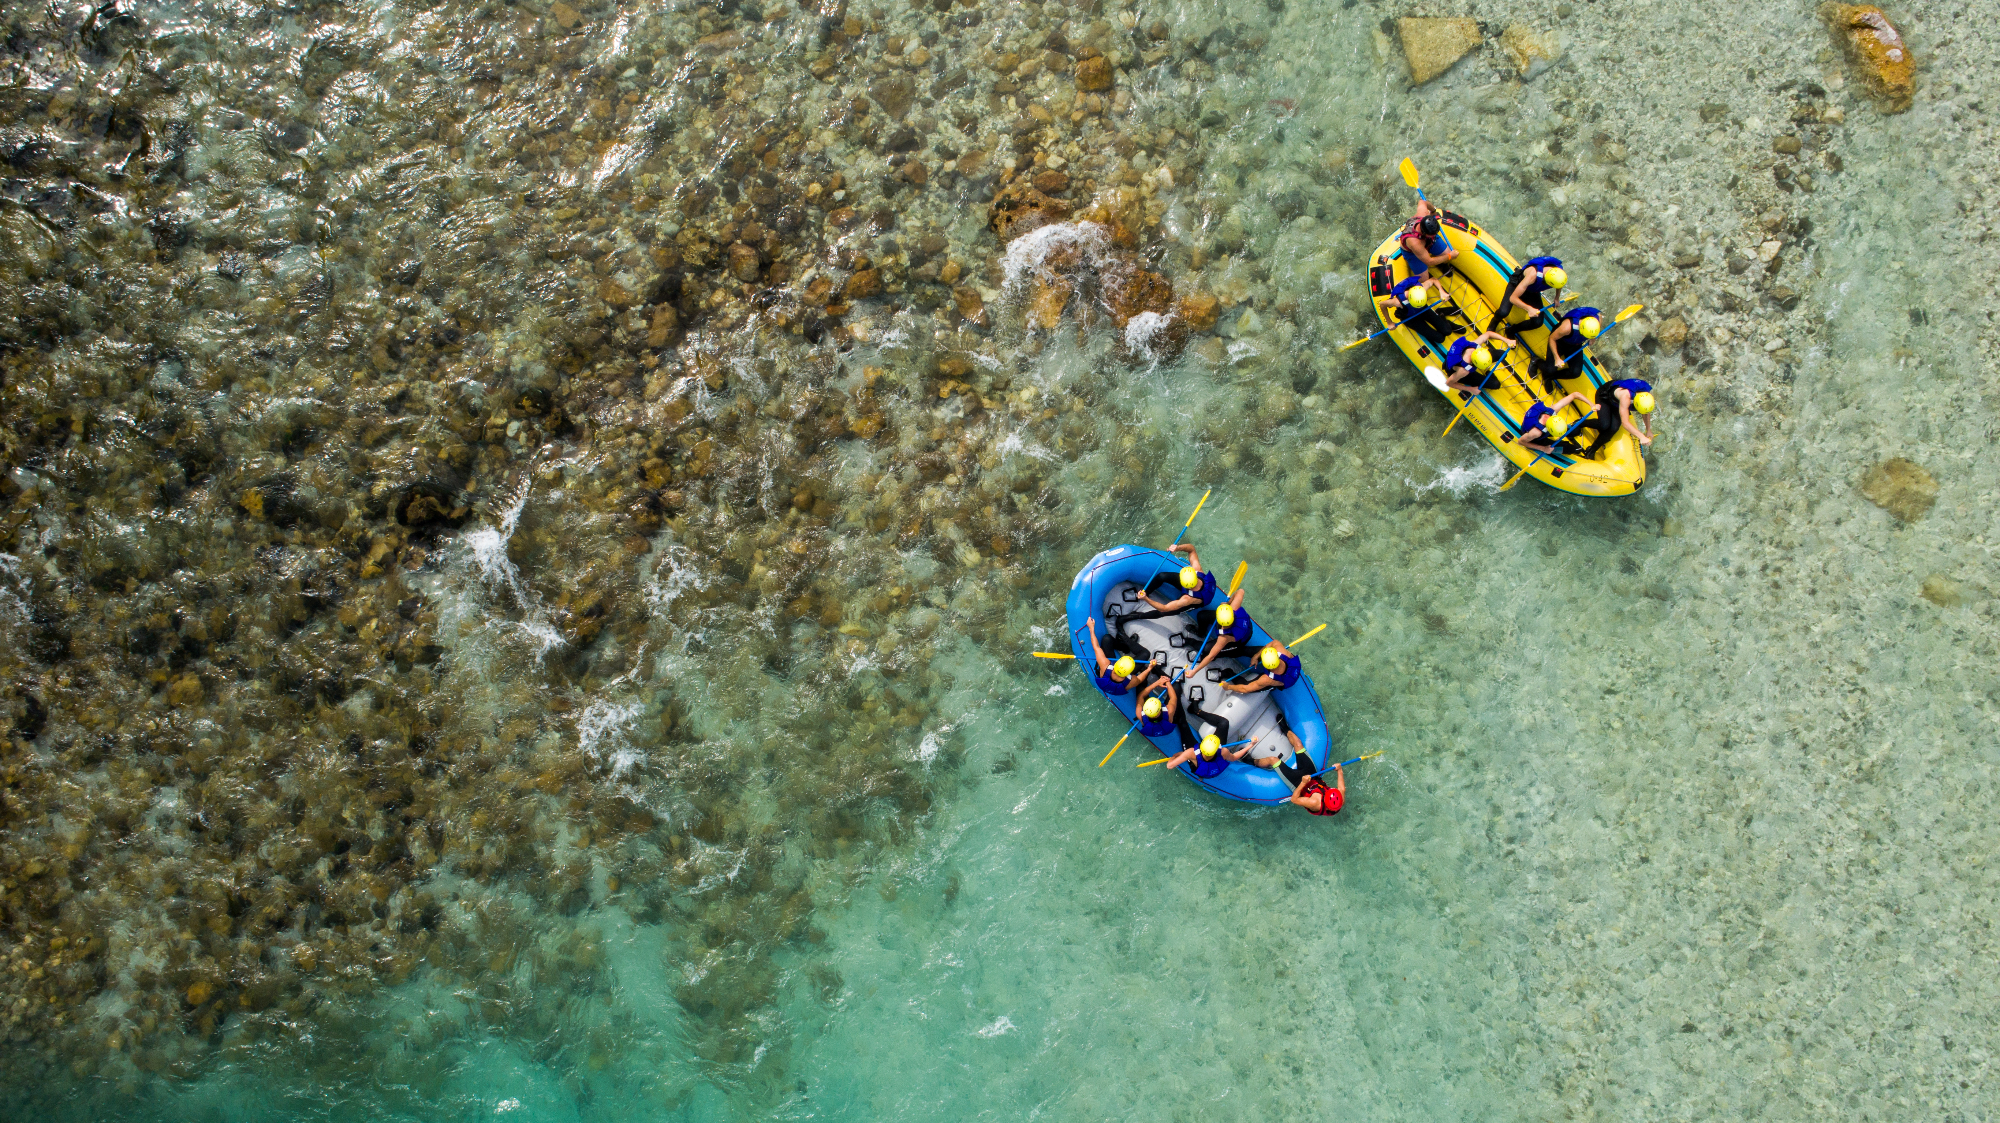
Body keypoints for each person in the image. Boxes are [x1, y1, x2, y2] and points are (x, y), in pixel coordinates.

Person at [1129, 543, 1218, 619]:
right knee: (1162, 576)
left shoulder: (1187, 599)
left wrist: (1146, 599)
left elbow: (1164, 608)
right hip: (1196, 587)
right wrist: (1177, 548)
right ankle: (1147, 592)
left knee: (1164, 613)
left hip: (1197, 599)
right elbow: (1191, 549)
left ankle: (1137, 616)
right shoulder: (1197, 570)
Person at [1575, 378, 1656, 460]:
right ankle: (1580, 423)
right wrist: (1641, 436)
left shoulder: (1647, 397)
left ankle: (1592, 450)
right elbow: (1625, 423)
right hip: (1605, 397)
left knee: (1614, 428)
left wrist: (1648, 430)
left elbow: (1646, 412)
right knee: (1604, 424)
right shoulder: (1625, 396)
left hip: (1617, 404)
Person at [1489, 256, 1567, 338]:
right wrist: (1529, 309)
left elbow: (1559, 285)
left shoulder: (1559, 274)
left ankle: (1511, 330)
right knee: (1503, 312)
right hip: (1517, 285)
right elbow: (1513, 298)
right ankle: (1494, 322)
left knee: (1537, 322)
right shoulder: (1533, 274)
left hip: (1532, 292)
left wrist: (1557, 298)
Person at [1530, 306, 1602, 392]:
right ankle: (1536, 361)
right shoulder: (1567, 327)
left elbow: (1599, 315)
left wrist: (1593, 338)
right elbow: (1552, 339)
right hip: (1559, 342)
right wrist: (1557, 358)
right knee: (1550, 369)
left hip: (1575, 344)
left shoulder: (1595, 320)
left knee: (1575, 373)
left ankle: (1549, 377)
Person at [1378, 275, 1456, 348]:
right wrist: (1389, 322)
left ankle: (1441, 316)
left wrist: (1441, 291)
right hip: (1410, 317)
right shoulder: (1397, 302)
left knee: (1447, 331)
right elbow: (1382, 304)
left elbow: (1433, 280)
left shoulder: (1423, 288)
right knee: (1440, 338)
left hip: (1423, 310)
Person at [1189, 593, 1256, 676]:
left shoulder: (1224, 638)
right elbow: (1241, 591)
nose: (1223, 628)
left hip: (1239, 640)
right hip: (1245, 625)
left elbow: (1211, 656)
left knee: (1206, 649)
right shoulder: (1234, 607)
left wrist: (1194, 671)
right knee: (1201, 616)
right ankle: (1200, 633)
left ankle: (1220, 653)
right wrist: (1228, 603)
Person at [1086, 616, 1156, 696]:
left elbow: (1096, 647)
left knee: (1107, 639)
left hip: (1107, 677)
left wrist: (1091, 628)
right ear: (1129, 673)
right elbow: (1139, 680)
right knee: (1145, 654)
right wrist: (1149, 668)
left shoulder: (1105, 665)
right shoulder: (1131, 681)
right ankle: (1126, 645)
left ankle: (1124, 647)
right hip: (1117, 682)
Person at [1396, 200, 1458, 280]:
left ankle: (1441, 264)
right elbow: (1429, 261)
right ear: (1424, 233)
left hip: (1429, 241)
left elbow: (1422, 202)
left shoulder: (1423, 214)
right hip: (1412, 253)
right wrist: (1449, 256)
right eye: (1433, 234)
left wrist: (1433, 210)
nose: (1435, 234)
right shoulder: (1414, 243)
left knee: (1447, 253)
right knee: (1424, 279)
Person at [1516, 393, 1593, 456]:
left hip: (1545, 428)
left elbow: (1574, 395)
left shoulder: (1553, 410)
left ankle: (1571, 433)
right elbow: (1521, 442)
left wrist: (1592, 405)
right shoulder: (1536, 432)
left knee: (1576, 431)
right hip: (1535, 439)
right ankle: (1573, 449)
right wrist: (1543, 448)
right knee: (1569, 449)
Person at [1440, 330, 1514, 395]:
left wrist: (1507, 340)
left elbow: (1488, 334)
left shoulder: (1473, 346)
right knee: (1495, 384)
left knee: (1502, 354)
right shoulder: (1464, 371)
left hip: (1460, 357)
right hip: (1456, 370)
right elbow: (1449, 383)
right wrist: (1470, 389)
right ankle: (1487, 374)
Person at [1224, 641, 1301, 695]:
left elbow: (1245, 689)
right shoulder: (1281, 650)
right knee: (1250, 651)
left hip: (1282, 680)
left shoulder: (1266, 680)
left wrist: (1228, 687)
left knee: (1246, 684)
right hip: (1289, 666)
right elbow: (1273, 643)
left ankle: (1229, 673)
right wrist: (1256, 656)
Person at [1279, 755, 1345, 817]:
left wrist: (1303, 782)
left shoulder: (1314, 803)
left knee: (1274, 760)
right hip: (1314, 778)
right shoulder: (1340, 800)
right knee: (1298, 747)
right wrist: (1339, 770)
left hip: (1299, 784)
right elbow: (1342, 789)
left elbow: (1294, 800)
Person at [1157, 733, 1234, 779]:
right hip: (1214, 772)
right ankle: (1201, 777)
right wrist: (1242, 750)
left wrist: (1174, 756)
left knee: (1185, 732)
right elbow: (1234, 758)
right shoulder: (1224, 752)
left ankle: (1200, 776)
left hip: (1197, 767)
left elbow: (1169, 766)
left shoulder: (1191, 753)